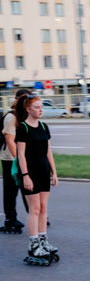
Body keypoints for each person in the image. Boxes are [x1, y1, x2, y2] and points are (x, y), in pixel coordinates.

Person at [15, 94, 59, 264]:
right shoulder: (23, 128)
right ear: (28, 109)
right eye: (37, 107)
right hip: (30, 173)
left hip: (43, 172)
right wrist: (25, 176)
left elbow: (48, 151)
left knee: (43, 208)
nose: (41, 110)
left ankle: (43, 241)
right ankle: (33, 244)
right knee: (34, 209)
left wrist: (54, 172)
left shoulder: (43, 126)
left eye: (42, 107)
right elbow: (21, 154)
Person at [0, 89, 32, 234]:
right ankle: (10, 219)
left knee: (29, 187)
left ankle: (34, 214)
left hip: (25, 157)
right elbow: (10, 141)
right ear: (18, 99)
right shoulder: (11, 117)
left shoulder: (27, 115)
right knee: (11, 189)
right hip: (10, 158)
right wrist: (18, 161)